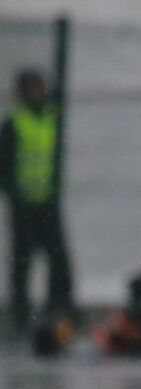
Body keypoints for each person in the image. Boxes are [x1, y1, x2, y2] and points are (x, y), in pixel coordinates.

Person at [0, 68, 76, 347]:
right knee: (22, 262)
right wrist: (13, 194)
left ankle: (60, 312)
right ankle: (21, 316)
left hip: (47, 202)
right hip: (23, 205)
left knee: (59, 260)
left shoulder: (52, 118)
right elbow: (5, 164)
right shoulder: (15, 123)